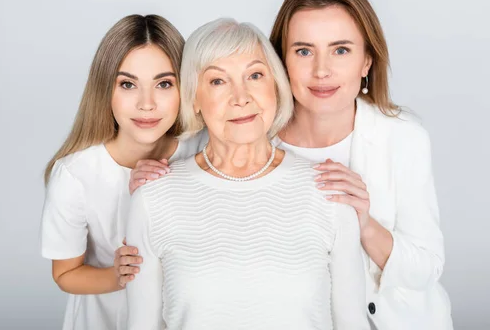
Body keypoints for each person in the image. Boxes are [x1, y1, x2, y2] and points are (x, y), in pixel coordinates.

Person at [125, 18, 370, 329]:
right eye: (217, 81)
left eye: (255, 75)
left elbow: (352, 323)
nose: (241, 97)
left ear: (276, 87)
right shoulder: (153, 198)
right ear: (194, 99)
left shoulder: (330, 191)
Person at [269, 0, 453, 330]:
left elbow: (426, 269)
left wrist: (365, 226)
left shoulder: (403, 136)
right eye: (304, 51)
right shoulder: (251, 138)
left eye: (340, 50)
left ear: (366, 61)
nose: (321, 70)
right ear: (282, 60)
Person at [40, 14, 206, 330]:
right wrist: (117, 275)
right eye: (128, 84)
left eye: (164, 84)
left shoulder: (203, 150)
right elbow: (65, 274)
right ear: (106, 89)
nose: (147, 104)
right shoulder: (76, 175)